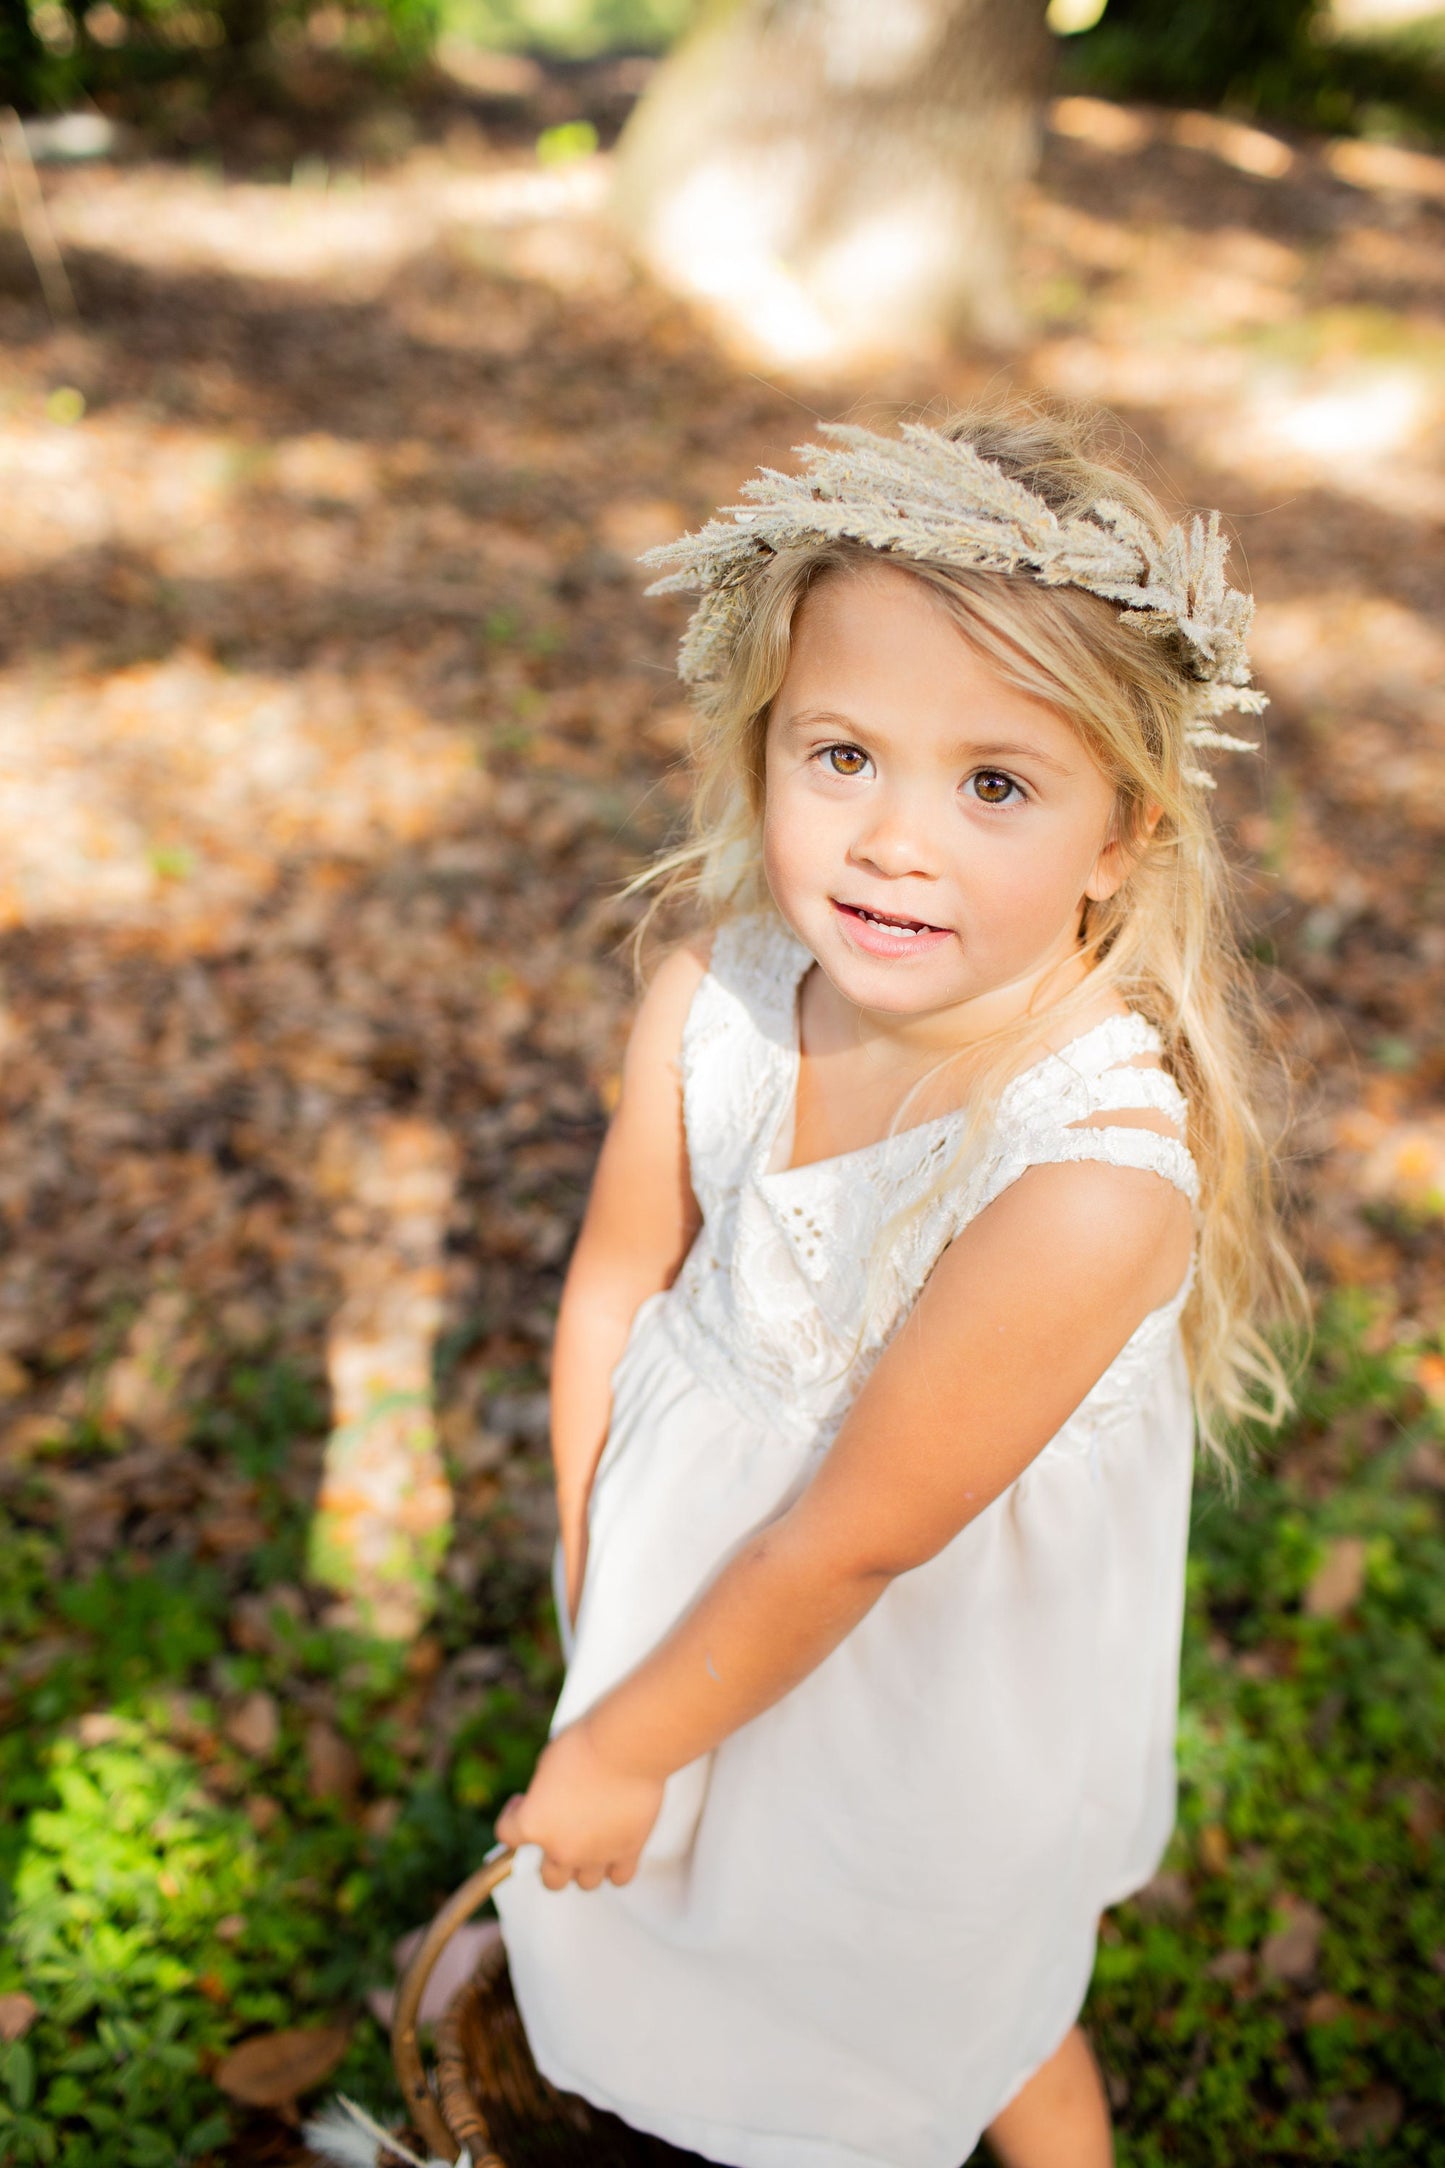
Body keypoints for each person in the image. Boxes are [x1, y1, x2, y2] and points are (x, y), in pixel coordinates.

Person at [491, 402, 1305, 2168]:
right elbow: (611, 1291)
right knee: (773, 1931)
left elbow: (854, 1542)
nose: (891, 842)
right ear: (760, 743)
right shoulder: (711, 997)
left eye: (993, 782)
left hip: (924, 1668)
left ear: (1121, 835)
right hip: (704, 1586)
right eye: (841, 754)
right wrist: (596, 1589)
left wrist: (623, 1746)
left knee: (940, 1979)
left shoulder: (1084, 1181)